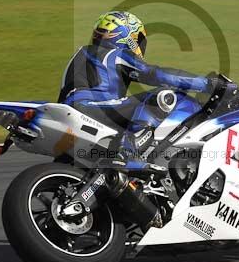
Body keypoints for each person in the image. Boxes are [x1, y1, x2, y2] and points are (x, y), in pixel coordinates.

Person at [58, 11, 224, 171]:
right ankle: (128, 152)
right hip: (94, 108)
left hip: (68, 112)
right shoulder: (117, 54)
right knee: (163, 96)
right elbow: (155, 74)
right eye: (139, 39)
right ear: (129, 37)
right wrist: (207, 83)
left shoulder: (80, 53)